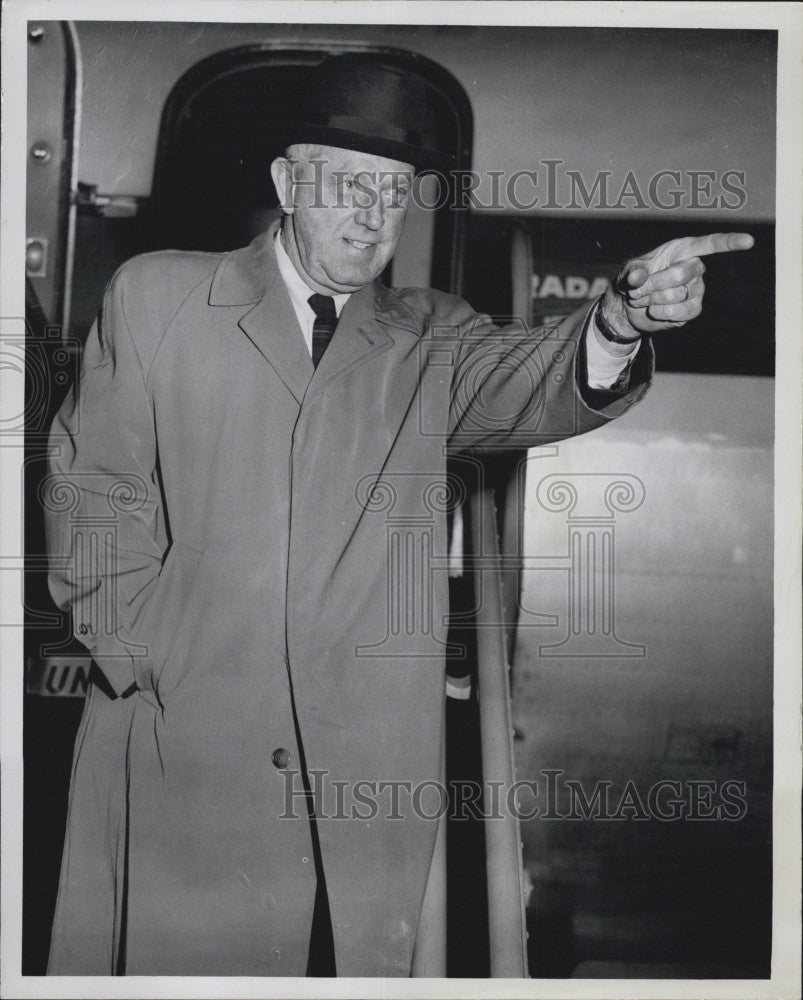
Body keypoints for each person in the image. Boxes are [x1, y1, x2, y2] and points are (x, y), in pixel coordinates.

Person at [44, 55, 753, 977]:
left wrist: (616, 322)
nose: (374, 213)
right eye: (347, 185)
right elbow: (91, 484)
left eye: (395, 191)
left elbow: (527, 381)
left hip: (361, 771)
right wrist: (139, 649)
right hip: (181, 742)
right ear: (286, 184)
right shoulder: (159, 298)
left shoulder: (431, 333)